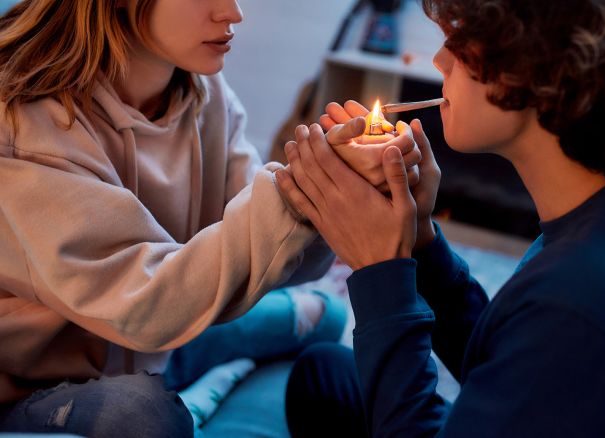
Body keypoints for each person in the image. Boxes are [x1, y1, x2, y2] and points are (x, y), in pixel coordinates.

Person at [278, 0, 605, 436]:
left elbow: (558, 333)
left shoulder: (586, 299)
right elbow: (526, 358)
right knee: (325, 374)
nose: (440, 60)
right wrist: (420, 240)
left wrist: (380, 270)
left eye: (464, 36)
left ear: (548, 61)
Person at [0, 0, 421, 436]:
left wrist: (336, 187)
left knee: (329, 316)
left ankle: (184, 359)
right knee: (144, 416)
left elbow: (272, 252)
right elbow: (145, 305)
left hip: (155, 342)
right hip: (31, 378)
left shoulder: (205, 92)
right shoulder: (19, 127)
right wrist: (298, 193)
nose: (233, 14)